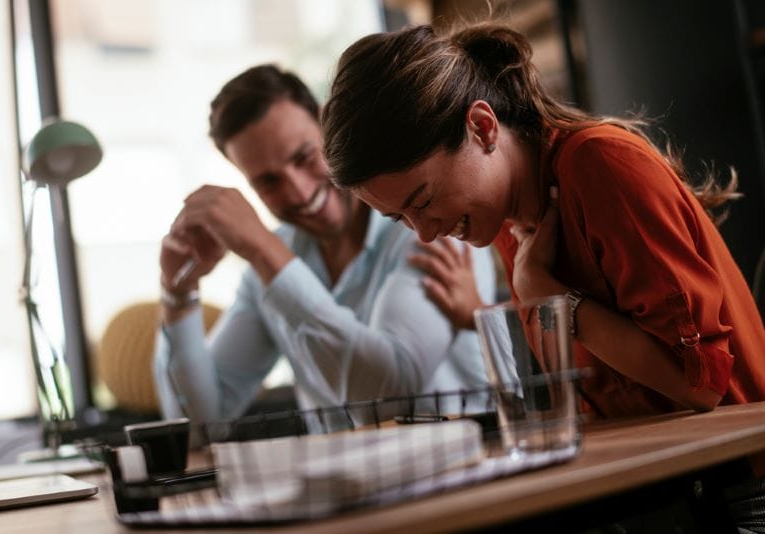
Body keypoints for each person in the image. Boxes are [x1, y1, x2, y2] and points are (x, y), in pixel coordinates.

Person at [321, 22, 765, 530]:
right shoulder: (509, 222)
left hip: (739, 495)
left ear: (483, 127)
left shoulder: (601, 164)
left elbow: (701, 388)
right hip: (656, 490)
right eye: (401, 218)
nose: (424, 233)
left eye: (422, 200)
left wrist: (552, 298)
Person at [152, 64, 497, 429]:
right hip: (347, 483)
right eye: (268, 182)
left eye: (303, 157)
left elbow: (388, 400)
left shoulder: (428, 223)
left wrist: (264, 250)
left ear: (326, 126)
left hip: (464, 471)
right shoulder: (269, 264)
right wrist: (178, 292)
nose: (299, 193)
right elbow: (199, 425)